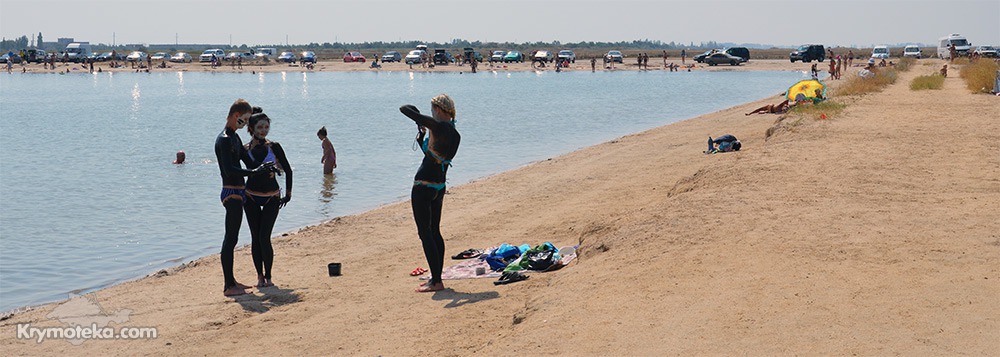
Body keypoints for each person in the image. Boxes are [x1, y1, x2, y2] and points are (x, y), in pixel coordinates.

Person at [399, 94, 460, 293]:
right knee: (435, 231)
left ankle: (436, 282)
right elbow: (436, 157)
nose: (432, 113)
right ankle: (436, 278)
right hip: (439, 187)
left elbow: (404, 108)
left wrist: (419, 115)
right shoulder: (454, 133)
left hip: (423, 186)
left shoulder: (438, 125)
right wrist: (422, 136)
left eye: (433, 109)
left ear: (440, 110)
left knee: (425, 233)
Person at [214, 100, 276, 297]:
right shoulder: (224, 139)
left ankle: (232, 280)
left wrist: (266, 166)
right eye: (246, 119)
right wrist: (254, 171)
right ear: (236, 115)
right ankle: (228, 285)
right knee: (230, 238)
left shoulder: (235, 139)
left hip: (241, 191)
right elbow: (229, 169)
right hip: (230, 191)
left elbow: (248, 160)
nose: (246, 123)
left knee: (235, 237)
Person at [243, 112, 292, 288]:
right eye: (260, 127)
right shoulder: (245, 149)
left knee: (265, 237)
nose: (264, 131)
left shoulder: (275, 147)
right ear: (251, 129)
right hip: (250, 197)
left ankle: (269, 277)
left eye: (266, 127)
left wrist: (288, 194)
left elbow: (288, 169)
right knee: (255, 238)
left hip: (272, 197)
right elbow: (236, 170)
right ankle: (259, 277)